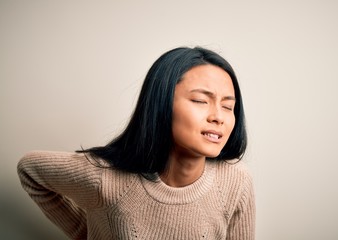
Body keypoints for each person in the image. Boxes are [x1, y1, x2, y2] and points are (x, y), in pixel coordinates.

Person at [17, 46, 255, 239]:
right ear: (160, 103)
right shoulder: (106, 178)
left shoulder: (236, 181)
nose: (218, 117)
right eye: (201, 101)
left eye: (228, 106)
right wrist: (85, 233)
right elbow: (29, 170)